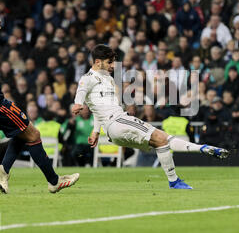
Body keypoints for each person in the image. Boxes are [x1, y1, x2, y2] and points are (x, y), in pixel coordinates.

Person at [71, 45, 230, 190]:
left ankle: (177, 177)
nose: (113, 65)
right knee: (162, 137)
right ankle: (199, 151)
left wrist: (96, 132)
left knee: (160, 142)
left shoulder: (109, 79)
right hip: (118, 122)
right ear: (97, 62)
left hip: (115, 129)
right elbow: (81, 92)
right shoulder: (87, 78)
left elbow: (99, 108)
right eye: (109, 62)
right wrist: (78, 103)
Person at [0, 7, 79, 194]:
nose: (0, 26)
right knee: (33, 135)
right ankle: (54, 181)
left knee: (21, 132)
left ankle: (3, 170)